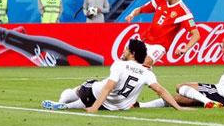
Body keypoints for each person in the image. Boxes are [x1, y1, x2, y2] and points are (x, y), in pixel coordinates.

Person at [41, 39, 186, 112]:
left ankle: (63, 102)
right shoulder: (147, 73)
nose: (123, 51)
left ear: (133, 53)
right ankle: (67, 106)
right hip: (113, 106)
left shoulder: (119, 64)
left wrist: (95, 108)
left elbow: (108, 87)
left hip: (94, 94)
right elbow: (161, 90)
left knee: (80, 89)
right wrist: (178, 108)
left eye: (126, 49)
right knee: (87, 99)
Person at [140, 31, 224, 109]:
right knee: (178, 99)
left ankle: (208, 102)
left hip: (220, 92)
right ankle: (141, 105)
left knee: (180, 86)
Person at [124, 0, 199, 67]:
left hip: (159, 46)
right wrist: (132, 14)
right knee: (126, 57)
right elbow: (140, 9)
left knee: (147, 62)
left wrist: (185, 48)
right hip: (144, 39)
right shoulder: (160, 0)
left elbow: (196, 34)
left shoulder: (183, 11)